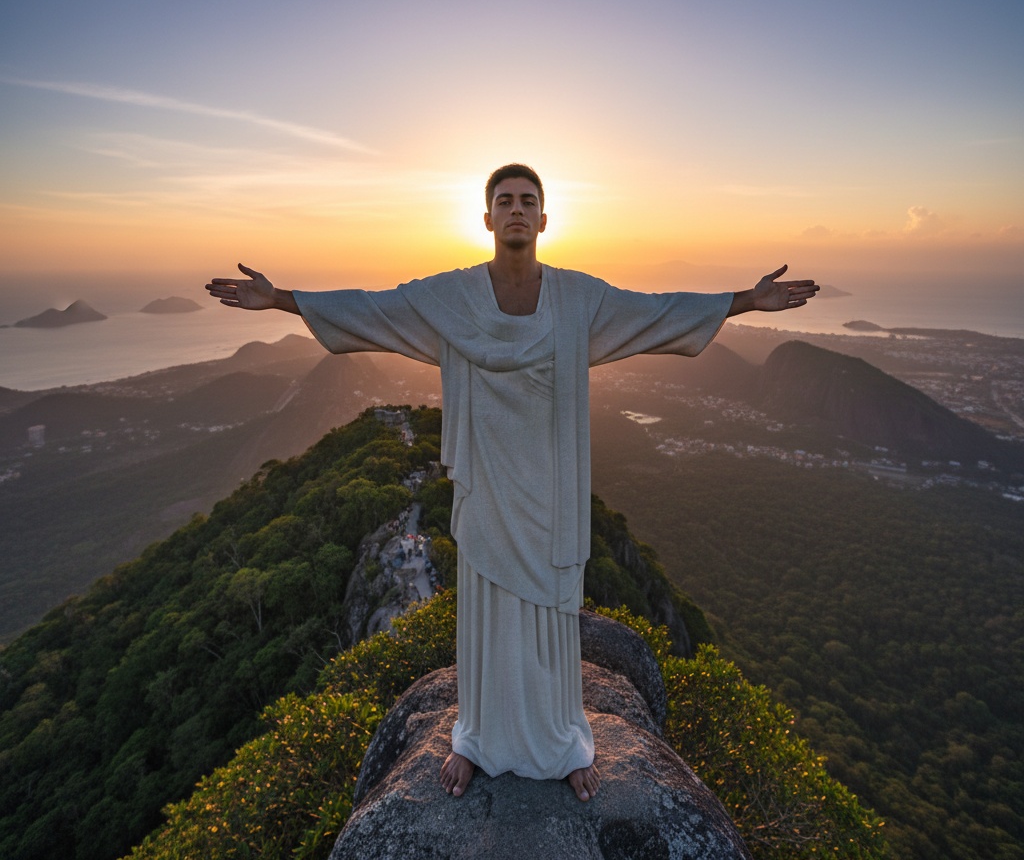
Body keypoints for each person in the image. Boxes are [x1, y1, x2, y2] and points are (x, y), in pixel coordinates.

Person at [206, 162, 818, 803]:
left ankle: (561, 742)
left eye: (529, 200)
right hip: (489, 482)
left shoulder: (581, 301)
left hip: (549, 487)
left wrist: (746, 301)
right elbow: (375, 308)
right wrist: (280, 300)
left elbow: (655, 313)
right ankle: (475, 739)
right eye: (506, 200)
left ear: (545, 219)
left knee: (550, 618)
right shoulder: (451, 300)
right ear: (488, 218)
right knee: (489, 614)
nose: (517, 209)